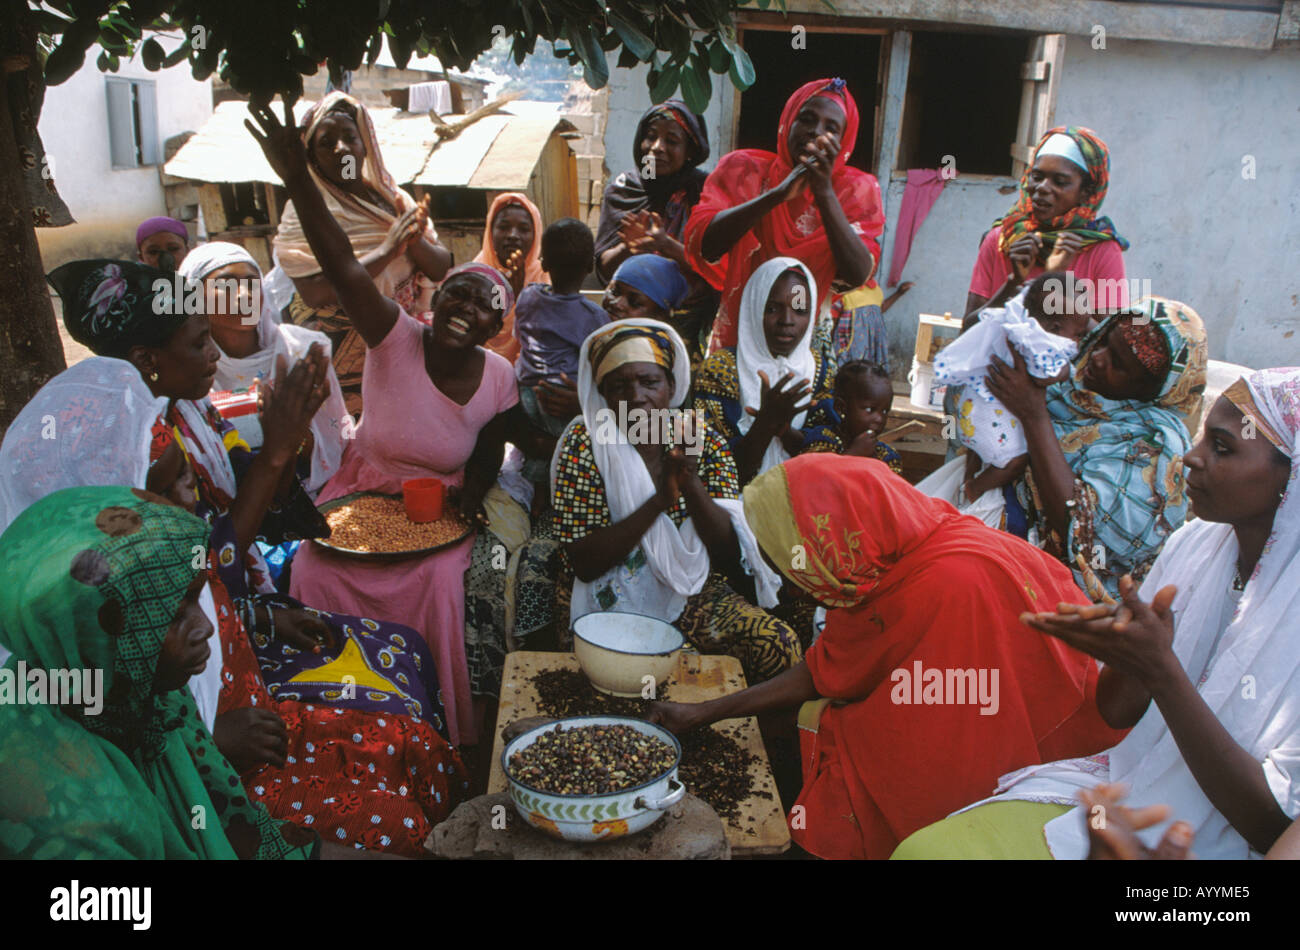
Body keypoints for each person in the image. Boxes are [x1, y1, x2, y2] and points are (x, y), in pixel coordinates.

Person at [892, 368, 1300, 860]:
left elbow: (1272, 825)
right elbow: (1116, 710)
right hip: (1131, 787)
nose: (1191, 459)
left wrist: (1162, 672)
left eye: (1223, 447)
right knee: (924, 850)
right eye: (1202, 439)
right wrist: (1131, 656)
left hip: (1214, 844)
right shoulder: (1196, 545)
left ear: (1291, 481)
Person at [648, 453, 1127, 859]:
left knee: (844, 753)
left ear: (828, 545)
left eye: (785, 559)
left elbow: (937, 744)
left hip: (1025, 759)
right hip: (1009, 720)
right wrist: (705, 712)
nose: (783, 576)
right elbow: (830, 667)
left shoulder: (946, 587)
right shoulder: (902, 543)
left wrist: (718, 714)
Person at [249, 100, 522, 747]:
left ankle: (430, 725)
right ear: (437, 298)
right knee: (316, 570)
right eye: (457, 292)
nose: (466, 309)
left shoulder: (499, 376)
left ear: (494, 327)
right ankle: (330, 715)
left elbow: (495, 445)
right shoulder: (394, 336)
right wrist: (296, 181)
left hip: (442, 504)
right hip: (362, 488)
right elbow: (342, 267)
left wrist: (475, 497)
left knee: (441, 585)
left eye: (485, 306)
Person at [0, 486, 318, 859]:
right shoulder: (74, 825)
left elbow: (234, 824)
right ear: (97, 637)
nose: (206, 628)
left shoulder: (129, 684)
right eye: (173, 614)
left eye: (195, 599)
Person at [551, 319, 801, 684]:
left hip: (692, 588)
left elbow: (730, 556)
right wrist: (659, 502)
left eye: (650, 382)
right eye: (619, 386)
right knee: (614, 673)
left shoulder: (697, 435)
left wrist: (691, 483)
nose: (636, 397)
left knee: (776, 643)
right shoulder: (586, 442)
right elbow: (586, 564)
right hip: (607, 591)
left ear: (671, 386)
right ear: (603, 395)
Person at [984, 295, 1208, 600]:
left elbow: (1081, 530)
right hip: (1009, 533)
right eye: (1104, 343)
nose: (1098, 358)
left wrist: (1033, 415)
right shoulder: (1070, 377)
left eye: (1119, 365)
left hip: (1069, 598)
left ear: (1152, 392)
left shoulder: (1153, 447)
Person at [274, 91, 452, 415]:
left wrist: (411, 240)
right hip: (340, 361)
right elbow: (316, 293)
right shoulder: (305, 215)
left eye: (349, 138)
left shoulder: (392, 199)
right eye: (327, 143)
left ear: (364, 143)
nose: (341, 149)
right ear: (311, 156)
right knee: (349, 444)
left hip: (400, 345)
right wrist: (387, 250)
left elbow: (440, 267)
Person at [684, 77, 884, 351]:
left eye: (831, 128)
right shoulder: (744, 170)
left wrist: (823, 192)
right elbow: (704, 243)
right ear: (787, 122)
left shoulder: (855, 190)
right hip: (739, 334)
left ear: (844, 141)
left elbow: (858, 273)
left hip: (807, 344)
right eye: (807, 119)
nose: (816, 132)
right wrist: (777, 195)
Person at [179, 241, 349, 493]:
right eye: (226, 285)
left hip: (305, 492)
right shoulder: (183, 363)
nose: (243, 294)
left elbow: (336, 440)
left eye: (252, 282)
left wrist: (293, 431)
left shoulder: (301, 350)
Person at [595, 99, 719, 364]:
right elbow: (604, 269)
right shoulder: (623, 191)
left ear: (690, 151)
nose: (656, 148)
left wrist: (668, 246)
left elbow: (719, 273)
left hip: (692, 331)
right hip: (627, 326)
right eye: (650, 137)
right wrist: (627, 247)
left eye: (671, 141)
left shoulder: (705, 194)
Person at [694, 258, 838, 486]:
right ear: (753, 307)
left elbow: (828, 451)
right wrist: (765, 424)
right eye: (772, 309)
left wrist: (784, 430)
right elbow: (711, 464)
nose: (787, 321)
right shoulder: (721, 368)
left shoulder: (818, 368)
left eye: (800, 310)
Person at [965, 126, 1128, 324]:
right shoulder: (1002, 239)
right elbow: (968, 328)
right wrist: (1013, 282)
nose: (1042, 188)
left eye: (1059, 181)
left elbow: (1106, 340)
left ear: (1086, 192)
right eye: (1037, 177)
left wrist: (1054, 283)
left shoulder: (1102, 251)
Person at [514, 218, 608, 486]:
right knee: (562, 451)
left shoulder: (528, 296)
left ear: (543, 263)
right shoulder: (594, 316)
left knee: (536, 449)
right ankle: (548, 494)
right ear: (590, 266)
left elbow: (520, 336)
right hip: (561, 399)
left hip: (523, 393)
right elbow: (600, 364)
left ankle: (526, 493)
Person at [474, 191, 547, 363]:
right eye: (504, 227)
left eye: (523, 229)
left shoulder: (542, 276)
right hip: (480, 367)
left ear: (535, 234)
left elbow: (544, 337)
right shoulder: (477, 274)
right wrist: (506, 299)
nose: (513, 235)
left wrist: (522, 297)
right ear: (490, 231)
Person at [827, 359, 903, 473]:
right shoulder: (823, 441)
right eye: (869, 409)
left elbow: (891, 488)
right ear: (841, 407)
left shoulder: (887, 456)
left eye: (885, 411)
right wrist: (853, 455)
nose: (879, 419)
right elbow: (819, 480)